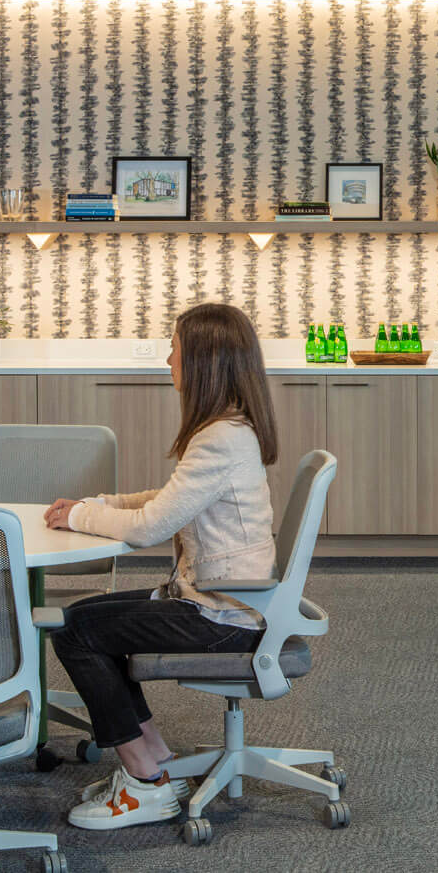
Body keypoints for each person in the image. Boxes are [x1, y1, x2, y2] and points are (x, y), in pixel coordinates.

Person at [45, 302, 280, 831]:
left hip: (221, 614)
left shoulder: (220, 438)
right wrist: (101, 504)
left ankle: (144, 783)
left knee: (76, 632)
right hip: (224, 600)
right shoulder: (229, 429)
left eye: (174, 348)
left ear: (202, 362)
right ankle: (156, 763)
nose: (167, 358)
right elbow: (170, 501)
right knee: (84, 620)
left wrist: (84, 514)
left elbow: (151, 528)